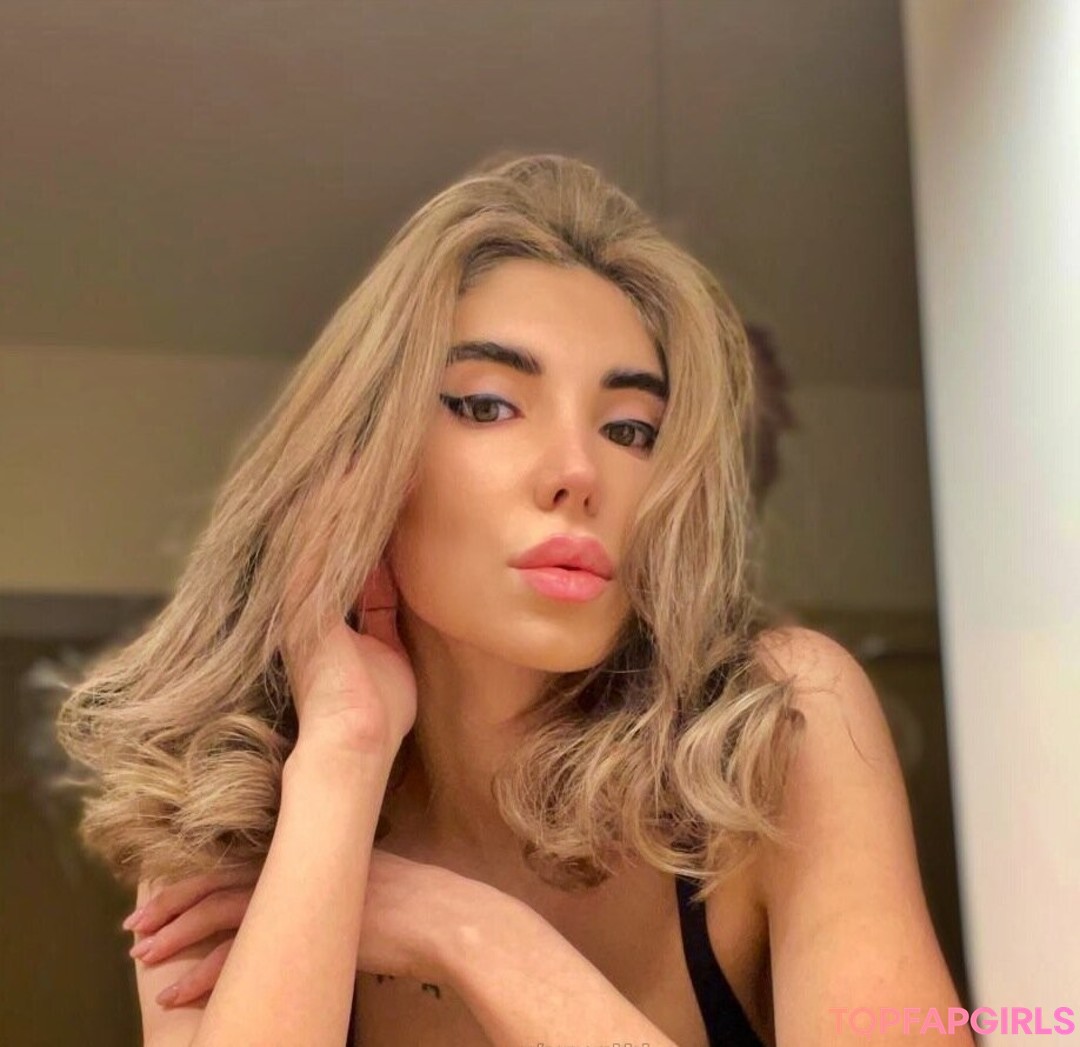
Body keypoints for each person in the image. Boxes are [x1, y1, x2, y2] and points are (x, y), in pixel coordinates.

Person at [54, 153, 969, 1046]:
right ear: (362, 461)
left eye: (631, 429)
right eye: (489, 405)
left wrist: (472, 934)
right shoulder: (228, 817)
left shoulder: (771, 732)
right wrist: (342, 754)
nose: (579, 472)